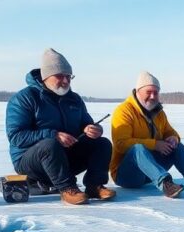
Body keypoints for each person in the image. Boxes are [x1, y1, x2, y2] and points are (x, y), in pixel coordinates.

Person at [6, 48, 115, 205]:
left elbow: (86, 122)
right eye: (60, 76)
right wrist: (53, 134)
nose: (65, 81)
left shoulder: (74, 99)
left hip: (65, 157)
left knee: (102, 143)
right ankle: (67, 189)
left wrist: (91, 129)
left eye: (69, 77)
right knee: (49, 144)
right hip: (30, 161)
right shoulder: (24, 99)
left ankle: (94, 186)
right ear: (45, 77)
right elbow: (16, 137)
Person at [110, 71, 184, 198]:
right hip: (127, 175)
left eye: (155, 93)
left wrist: (174, 138)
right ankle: (165, 184)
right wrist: (155, 145)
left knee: (176, 146)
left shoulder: (158, 113)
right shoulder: (124, 111)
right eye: (148, 92)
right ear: (138, 91)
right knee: (137, 149)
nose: (152, 96)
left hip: (149, 173)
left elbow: (169, 131)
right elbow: (121, 144)